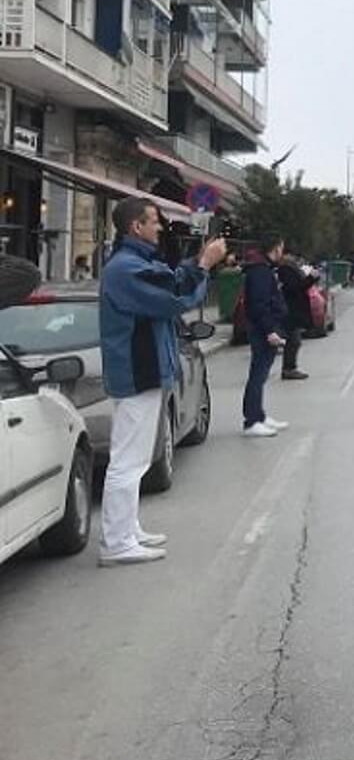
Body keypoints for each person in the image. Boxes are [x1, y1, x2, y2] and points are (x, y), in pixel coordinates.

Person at [97, 199, 224, 565]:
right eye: (153, 222)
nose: (160, 228)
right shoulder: (125, 269)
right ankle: (116, 542)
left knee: (135, 458)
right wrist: (204, 264)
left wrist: (195, 265)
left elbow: (169, 278)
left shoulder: (135, 263)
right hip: (139, 372)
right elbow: (172, 298)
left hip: (146, 371)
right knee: (127, 461)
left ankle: (126, 529)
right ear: (136, 227)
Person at [242, 236, 290, 437]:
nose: (282, 252)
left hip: (263, 327)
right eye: (281, 248)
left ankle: (259, 416)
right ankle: (252, 420)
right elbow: (259, 304)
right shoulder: (261, 271)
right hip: (262, 329)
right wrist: (269, 330)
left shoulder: (263, 268)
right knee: (258, 374)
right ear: (275, 248)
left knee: (261, 374)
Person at [277, 253, 313, 380]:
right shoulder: (286, 270)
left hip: (293, 309)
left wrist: (311, 279)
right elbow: (295, 288)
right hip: (290, 309)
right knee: (293, 340)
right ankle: (289, 368)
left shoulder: (291, 269)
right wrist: (310, 278)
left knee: (294, 340)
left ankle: (290, 367)